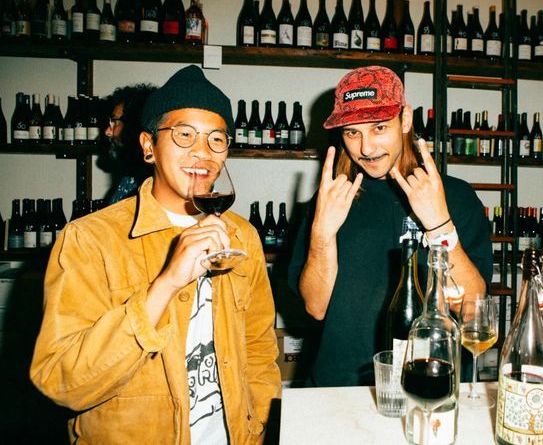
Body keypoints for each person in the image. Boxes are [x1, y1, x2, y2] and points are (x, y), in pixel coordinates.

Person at [31, 65, 281, 444]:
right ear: (149, 146)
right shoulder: (88, 240)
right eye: (184, 135)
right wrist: (165, 283)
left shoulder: (242, 235)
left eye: (217, 140)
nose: (202, 153)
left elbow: (260, 350)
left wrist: (262, 430)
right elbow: (63, 382)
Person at [288, 66, 493, 387]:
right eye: (352, 133)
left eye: (379, 127)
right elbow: (316, 307)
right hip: (340, 386)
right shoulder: (330, 198)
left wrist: (439, 223)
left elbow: (470, 307)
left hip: (428, 382)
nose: (366, 148)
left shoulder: (455, 197)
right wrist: (322, 233)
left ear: (406, 120)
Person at [102, 84, 157, 204]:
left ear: (133, 125)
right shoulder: (130, 177)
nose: (107, 132)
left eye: (114, 122)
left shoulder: (145, 184)